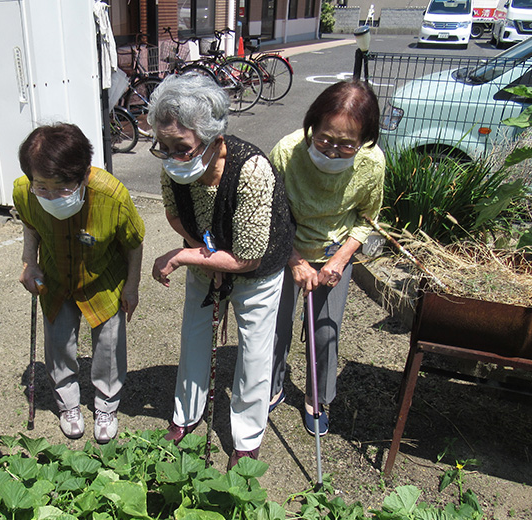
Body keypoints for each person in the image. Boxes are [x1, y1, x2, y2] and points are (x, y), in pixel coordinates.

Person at [148, 73, 294, 470]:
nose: (172, 156)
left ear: (212, 138)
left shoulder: (252, 169)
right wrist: (204, 255)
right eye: (163, 147)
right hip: (205, 252)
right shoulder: (173, 165)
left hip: (259, 266)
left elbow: (246, 258)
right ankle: (185, 416)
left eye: (182, 147)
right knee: (194, 338)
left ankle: (246, 439)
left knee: (254, 352)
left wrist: (184, 258)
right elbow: (175, 215)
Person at [14, 123, 145, 444]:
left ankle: (106, 405)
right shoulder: (24, 190)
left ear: (84, 175)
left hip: (103, 280)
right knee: (58, 344)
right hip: (55, 277)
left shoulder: (111, 195)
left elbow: (134, 243)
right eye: (41, 187)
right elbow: (30, 225)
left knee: (109, 346)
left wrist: (131, 287)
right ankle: (68, 404)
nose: (49, 195)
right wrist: (29, 262)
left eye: (61, 188)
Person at [269, 80, 384, 436]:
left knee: (325, 330)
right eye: (324, 140)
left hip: (336, 253)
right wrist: (295, 260)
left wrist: (340, 259)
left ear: (364, 139)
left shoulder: (372, 163)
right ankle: (271, 384)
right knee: (276, 325)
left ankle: (318, 398)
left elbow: (368, 219)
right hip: (288, 247)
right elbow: (270, 214)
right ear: (312, 125)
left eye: (346, 144)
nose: (333, 151)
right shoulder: (287, 152)